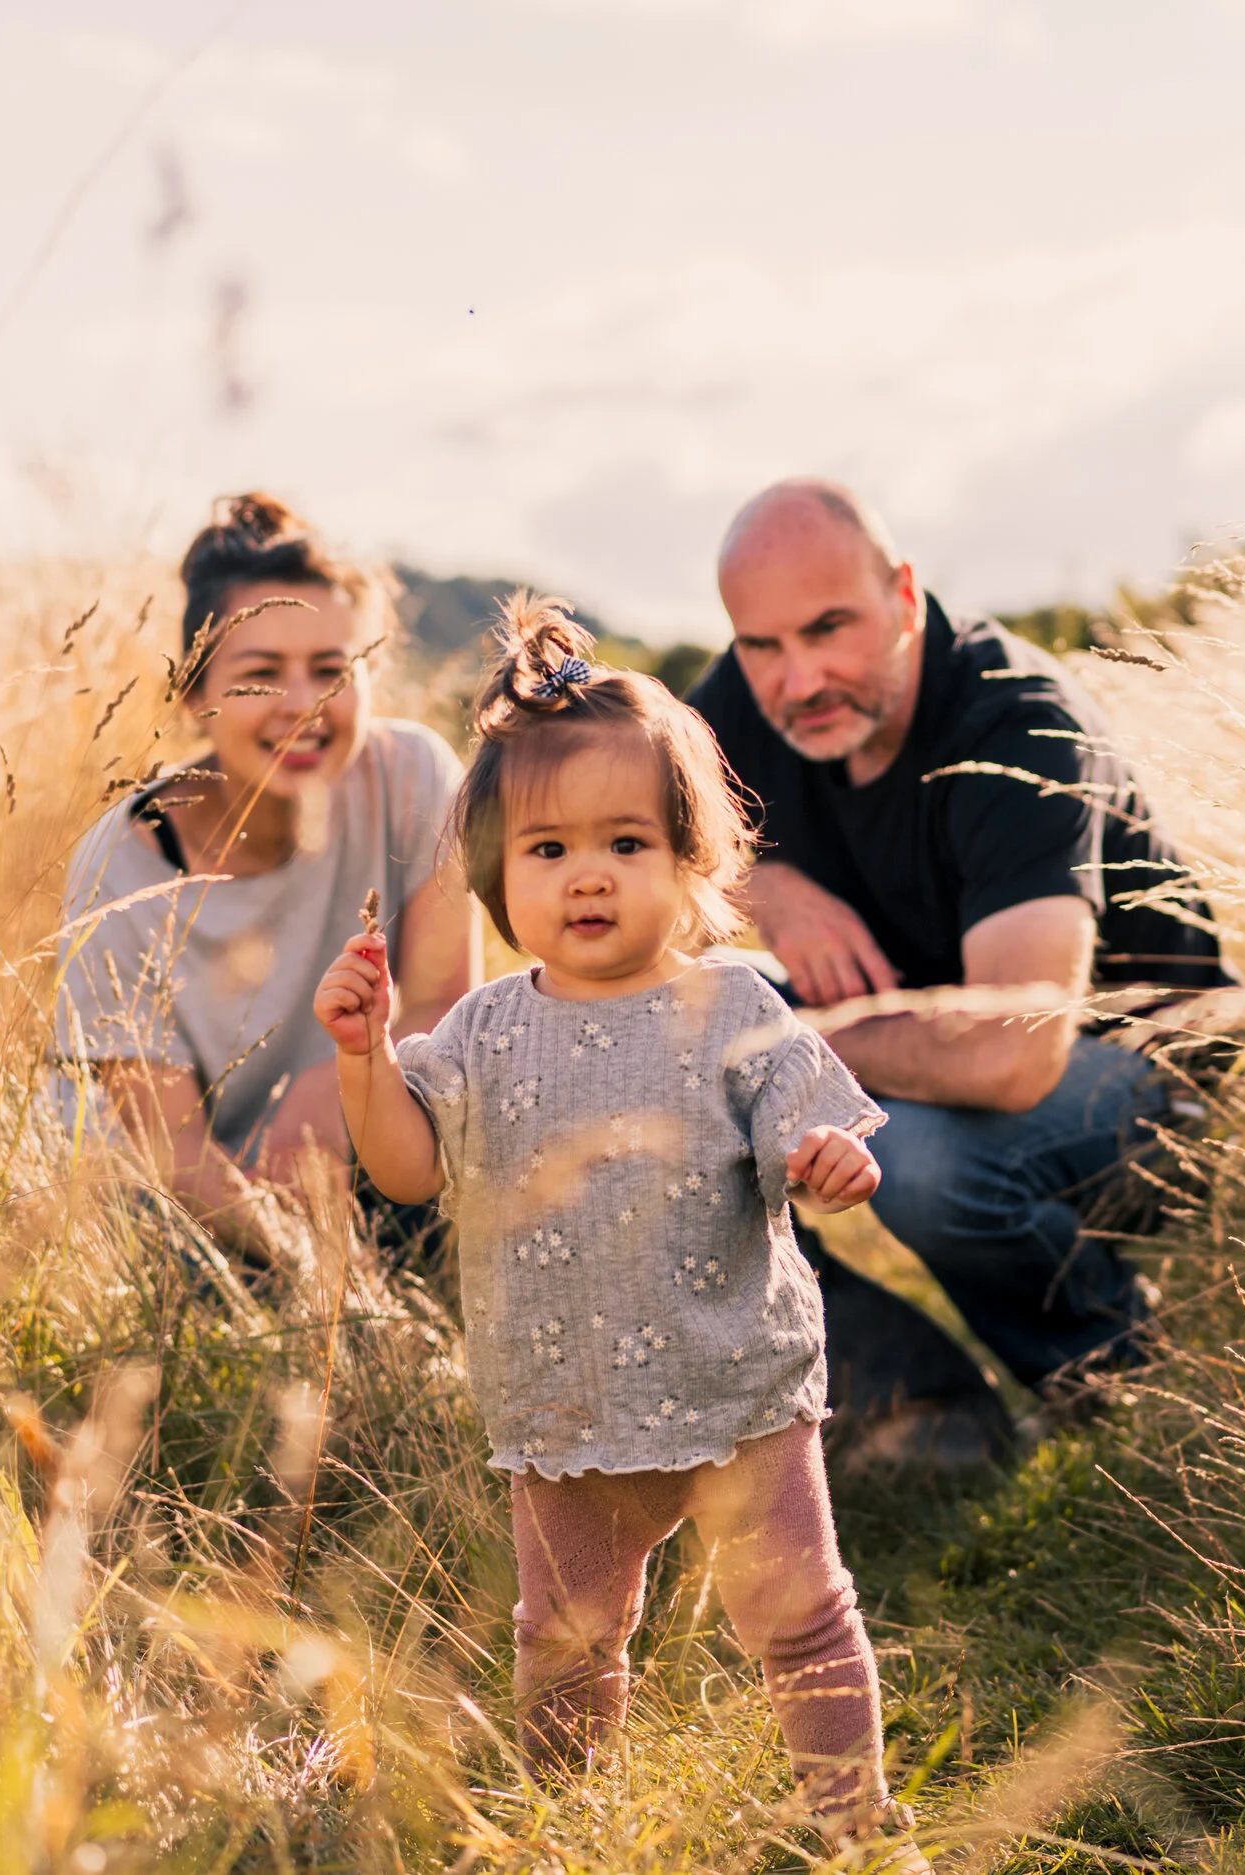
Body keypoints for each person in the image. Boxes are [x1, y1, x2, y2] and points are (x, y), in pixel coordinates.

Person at [310, 600, 921, 1854]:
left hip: (734, 1384)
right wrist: (364, 1060)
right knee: (570, 1639)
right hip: (562, 1405)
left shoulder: (732, 1006)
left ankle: (851, 1820)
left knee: (800, 1611)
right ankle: (567, 1821)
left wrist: (829, 1164)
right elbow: (408, 1173)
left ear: (690, 860)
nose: (585, 874)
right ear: (495, 874)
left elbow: (815, 1141)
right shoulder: (479, 1029)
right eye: (546, 851)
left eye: (625, 841)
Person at [688, 478, 1227, 1459]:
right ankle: (898, 1400)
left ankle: (1113, 1385)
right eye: (760, 646)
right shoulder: (741, 703)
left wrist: (780, 1041)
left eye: (827, 630)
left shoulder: (1015, 723)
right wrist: (766, 887)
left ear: (901, 596)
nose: (797, 679)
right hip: (926, 1048)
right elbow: (630, 828)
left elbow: (1010, 1056)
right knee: (659, 1048)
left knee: (917, 1161)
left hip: (1139, 1077)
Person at [53, 493, 479, 1246]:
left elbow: (447, 1004)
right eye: (260, 674)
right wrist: (294, 1264)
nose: (303, 706)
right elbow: (169, 1153)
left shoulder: (412, 775)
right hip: (156, 1214)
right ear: (194, 696)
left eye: (330, 669)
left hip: (352, 1150)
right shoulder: (118, 866)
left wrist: (338, 1085)